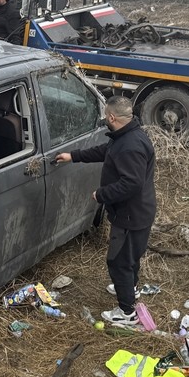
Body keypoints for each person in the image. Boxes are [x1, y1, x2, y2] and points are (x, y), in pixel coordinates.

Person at [54, 95, 156, 326]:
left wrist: (102, 194)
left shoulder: (130, 146)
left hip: (131, 215)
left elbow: (131, 183)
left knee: (119, 261)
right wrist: (74, 156)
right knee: (130, 256)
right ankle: (130, 289)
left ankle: (127, 313)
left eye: (105, 115)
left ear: (111, 116)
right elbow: (106, 152)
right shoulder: (127, 135)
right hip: (138, 211)